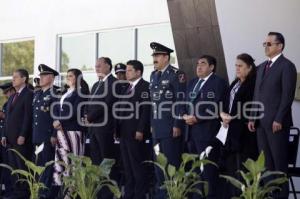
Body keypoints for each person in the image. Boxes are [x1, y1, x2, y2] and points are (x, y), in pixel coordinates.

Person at [248, 32, 297, 199]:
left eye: (269, 44)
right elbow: (257, 94)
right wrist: (253, 117)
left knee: (279, 165)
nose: (266, 47)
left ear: (280, 46)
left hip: (277, 125)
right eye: (265, 44)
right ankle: (272, 196)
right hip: (261, 124)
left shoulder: (287, 66)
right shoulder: (261, 67)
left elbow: (287, 96)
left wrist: (279, 118)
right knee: (267, 165)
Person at [183, 55, 228, 199]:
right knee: (196, 173)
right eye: (197, 64)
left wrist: (197, 118)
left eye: (203, 63)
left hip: (207, 134)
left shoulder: (218, 82)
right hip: (191, 134)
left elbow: (217, 106)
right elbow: (184, 103)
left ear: (212, 67)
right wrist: (184, 116)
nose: (198, 66)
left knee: (208, 173)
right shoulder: (192, 82)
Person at [149, 42, 186, 199]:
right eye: (154, 56)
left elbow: (180, 100)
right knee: (159, 165)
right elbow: (152, 103)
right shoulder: (153, 75)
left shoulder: (176, 74)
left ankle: (174, 195)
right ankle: (161, 195)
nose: (154, 59)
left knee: (171, 165)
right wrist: (151, 124)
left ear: (166, 57)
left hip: (170, 128)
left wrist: (178, 123)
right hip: (157, 129)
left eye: (157, 56)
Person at [219, 53, 258, 199]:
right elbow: (223, 103)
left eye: (240, 66)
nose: (237, 68)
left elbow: (252, 107)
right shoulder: (234, 83)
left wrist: (234, 116)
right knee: (232, 169)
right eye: (236, 65)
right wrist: (222, 114)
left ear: (249, 67)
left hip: (244, 134)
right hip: (230, 133)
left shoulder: (253, 84)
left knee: (244, 169)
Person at [115, 60, 151, 199]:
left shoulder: (145, 87)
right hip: (124, 134)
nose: (126, 73)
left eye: (129, 70)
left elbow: (145, 110)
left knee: (137, 167)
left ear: (138, 72)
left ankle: (140, 195)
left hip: (136, 133)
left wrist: (141, 130)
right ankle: (129, 195)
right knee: (127, 168)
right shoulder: (127, 87)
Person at [85, 57, 119, 199]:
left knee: (106, 164)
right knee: (96, 163)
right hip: (93, 129)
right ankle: (99, 194)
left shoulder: (114, 83)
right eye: (95, 66)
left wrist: (90, 117)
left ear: (108, 66)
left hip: (105, 128)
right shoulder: (96, 84)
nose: (97, 68)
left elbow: (107, 103)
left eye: (99, 65)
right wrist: (86, 115)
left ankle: (108, 195)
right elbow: (89, 103)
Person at [52, 68, 89, 195]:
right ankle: (62, 192)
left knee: (73, 161)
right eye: (67, 76)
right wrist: (56, 120)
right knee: (61, 161)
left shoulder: (81, 93)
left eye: (71, 76)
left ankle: (72, 194)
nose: (68, 78)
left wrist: (60, 121)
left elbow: (75, 111)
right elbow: (56, 108)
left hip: (74, 131)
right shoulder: (65, 93)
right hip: (61, 132)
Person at [1, 69, 33, 199]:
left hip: (21, 140)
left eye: (15, 77)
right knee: (13, 168)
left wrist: (23, 134)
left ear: (24, 79)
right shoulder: (13, 96)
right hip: (9, 139)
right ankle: (16, 192)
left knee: (22, 167)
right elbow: (7, 118)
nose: (13, 79)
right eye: (13, 77)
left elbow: (28, 117)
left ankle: (24, 194)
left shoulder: (29, 94)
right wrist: (3, 135)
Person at [32, 64, 59, 199]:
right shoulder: (37, 95)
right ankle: (38, 191)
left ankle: (45, 194)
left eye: (43, 76)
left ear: (51, 77)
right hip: (37, 136)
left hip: (47, 137)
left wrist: (54, 135)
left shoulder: (55, 94)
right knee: (38, 165)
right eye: (40, 76)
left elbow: (57, 117)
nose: (40, 78)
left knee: (47, 166)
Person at [0, 82, 15, 197]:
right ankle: (7, 190)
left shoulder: (15, 102)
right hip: (4, 138)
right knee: (4, 167)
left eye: (6, 92)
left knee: (10, 167)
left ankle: (11, 191)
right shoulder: (6, 104)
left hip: (11, 140)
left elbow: (9, 119)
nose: (5, 95)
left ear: (12, 90)